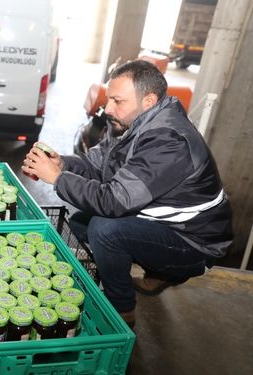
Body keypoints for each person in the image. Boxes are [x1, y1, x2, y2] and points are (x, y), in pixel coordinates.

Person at [21, 60, 232, 326]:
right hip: (159, 221)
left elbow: (114, 202)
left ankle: (123, 310)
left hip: (194, 241)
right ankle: (159, 273)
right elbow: (97, 164)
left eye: (117, 101)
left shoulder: (169, 142)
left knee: (104, 229)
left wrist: (57, 178)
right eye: (109, 99)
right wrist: (63, 164)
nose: (108, 109)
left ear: (149, 101)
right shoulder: (128, 124)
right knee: (79, 222)